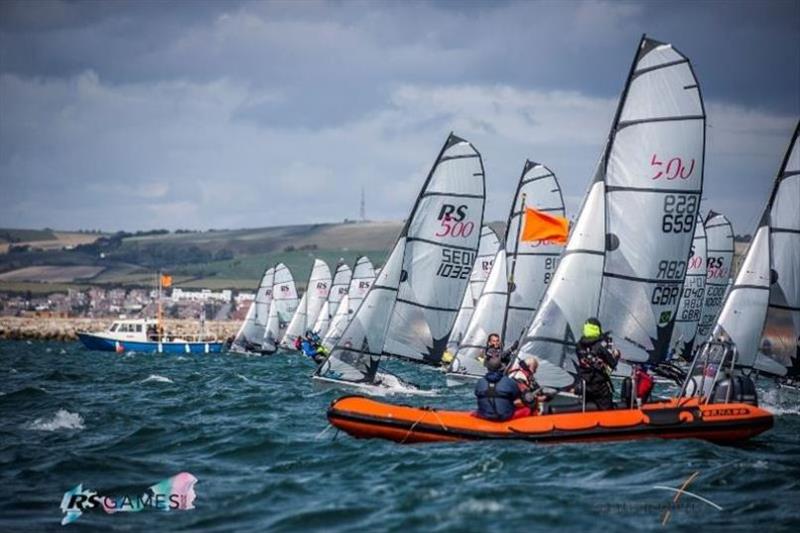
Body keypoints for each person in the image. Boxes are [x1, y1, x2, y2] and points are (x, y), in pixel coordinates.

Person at [574, 318, 620, 410]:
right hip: (599, 386)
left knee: (588, 409)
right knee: (607, 411)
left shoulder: (579, 345)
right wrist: (616, 355)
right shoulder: (600, 346)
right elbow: (612, 363)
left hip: (585, 385)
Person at [474, 356, 521, 421]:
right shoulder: (510, 382)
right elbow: (517, 396)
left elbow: (477, 394)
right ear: (501, 368)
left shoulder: (480, 382)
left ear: (487, 368)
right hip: (505, 417)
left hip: (484, 416)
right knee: (526, 409)